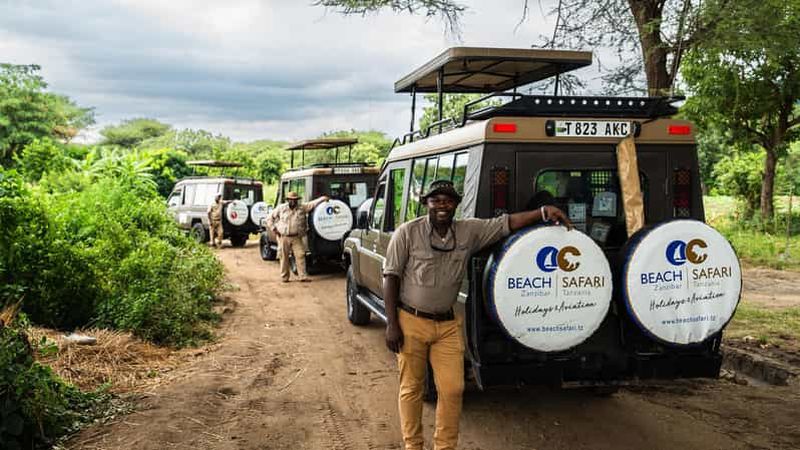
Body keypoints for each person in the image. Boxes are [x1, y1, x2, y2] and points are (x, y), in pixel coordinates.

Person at [382, 179, 571, 450]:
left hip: (446, 324)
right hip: (411, 321)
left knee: (453, 389)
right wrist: (392, 324)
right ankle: (413, 445)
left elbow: (505, 223)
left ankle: (445, 446)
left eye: (448, 200)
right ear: (426, 204)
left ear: (456, 204)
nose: (442, 205)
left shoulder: (468, 231)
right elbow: (391, 277)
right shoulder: (407, 233)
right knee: (412, 388)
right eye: (436, 200)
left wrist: (542, 213)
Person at [267, 191, 329, 282]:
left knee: (300, 255)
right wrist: (274, 229)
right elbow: (269, 218)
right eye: (291, 200)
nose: (293, 201)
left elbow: (313, 204)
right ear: (288, 200)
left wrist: (323, 198)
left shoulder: (302, 208)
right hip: (284, 237)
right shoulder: (281, 208)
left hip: (297, 237)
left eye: (295, 200)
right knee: (284, 257)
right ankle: (285, 277)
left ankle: (302, 276)